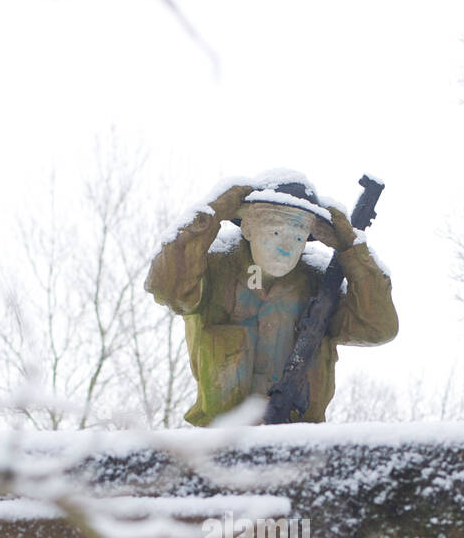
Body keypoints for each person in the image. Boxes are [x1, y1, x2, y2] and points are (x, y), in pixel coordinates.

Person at [145, 170, 398, 426]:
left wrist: (353, 250)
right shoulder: (212, 267)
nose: (286, 246)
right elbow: (166, 286)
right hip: (221, 440)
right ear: (248, 227)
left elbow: (377, 327)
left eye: (299, 236)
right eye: (276, 232)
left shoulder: (321, 283)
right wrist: (214, 211)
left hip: (300, 441)